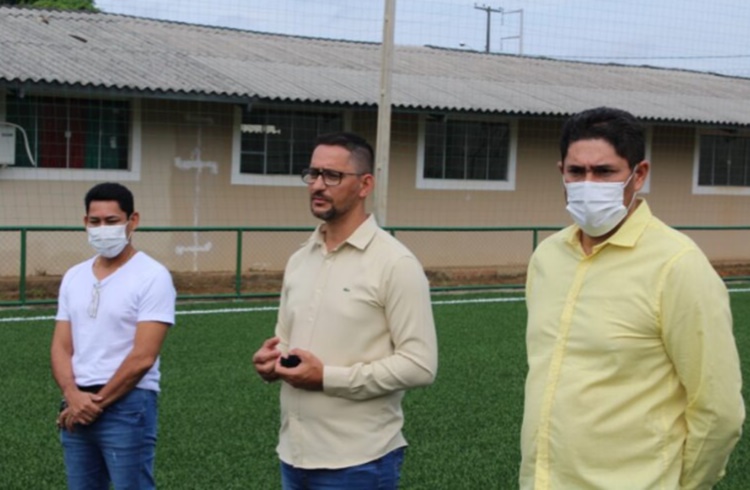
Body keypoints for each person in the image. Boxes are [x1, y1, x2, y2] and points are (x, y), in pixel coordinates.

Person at [520, 107, 745, 489]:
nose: (588, 183)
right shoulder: (547, 258)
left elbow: (719, 411)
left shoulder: (678, 266)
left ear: (638, 174)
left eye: (605, 172)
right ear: (562, 173)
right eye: (577, 172)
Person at [252, 132, 438, 489]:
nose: (318, 185)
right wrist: (272, 362)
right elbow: (286, 344)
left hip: (359, 462)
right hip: (293, 455)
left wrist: (327, 378)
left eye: (332, 176)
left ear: (365, 184)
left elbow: (420, 365)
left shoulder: (395, 263)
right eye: (313, 174)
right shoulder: (299, 259)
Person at [51, 182, 176, 490]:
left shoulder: (152, 276)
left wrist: (94, 403)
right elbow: (61, 346)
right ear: (85, 223)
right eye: (95, 222)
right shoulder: (74, 276)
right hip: (75, 402)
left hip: (127, 405)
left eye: (112, 221)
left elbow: (143, 357)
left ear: (132, 221)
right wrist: (72, 395)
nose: (102, 229)